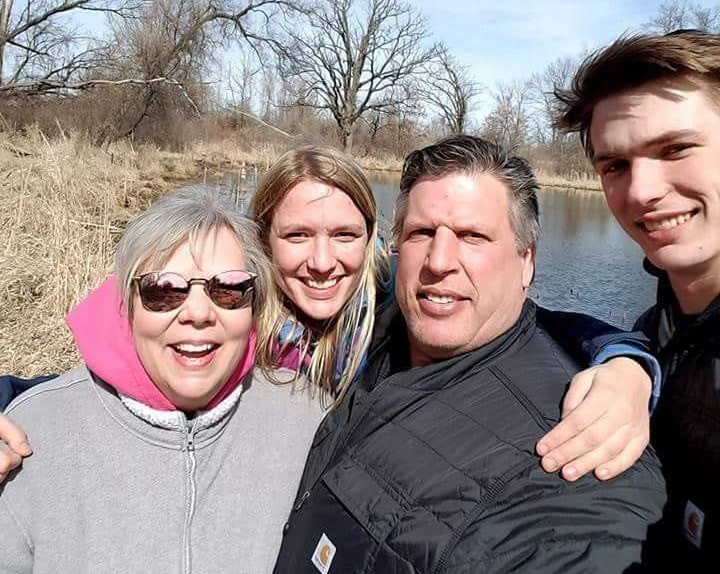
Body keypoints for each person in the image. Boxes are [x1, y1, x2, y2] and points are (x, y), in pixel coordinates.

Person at [0, 148, 657, 485]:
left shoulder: (391, 313)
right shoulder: (226, 315)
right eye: (296, 237)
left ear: (374, 240)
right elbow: (97, 386)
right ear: (261, 240)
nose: (322, 262)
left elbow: (541, 325)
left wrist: (627, 364)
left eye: (344, 235)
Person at [273, 135, 666, 573]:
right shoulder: (381, 325)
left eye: (472, 236)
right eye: (422, 233)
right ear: (396, 247)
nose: (439, 261)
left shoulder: (582, 439)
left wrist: (630, 361)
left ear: (527, 261)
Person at [0, 184, 325, 573]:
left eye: (229, 289)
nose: (198, 313)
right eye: (164, 290)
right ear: (127, 306)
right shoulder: (34, 433)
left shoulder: (307, 419)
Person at [554, 29, 720, 570]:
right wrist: (629, 359)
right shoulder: (659, 332)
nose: (642, 191)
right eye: (615, 166)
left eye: (675, 149)